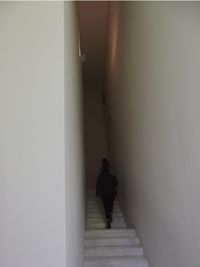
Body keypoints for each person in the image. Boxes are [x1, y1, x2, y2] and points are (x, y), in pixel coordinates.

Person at [96, 158, 118, 229]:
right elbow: (116, 183)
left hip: (104, 194)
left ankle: (108, 219)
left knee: (106, 207)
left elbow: (98, 185)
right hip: (111, 193)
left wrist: (97, 193)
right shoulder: (111, 176)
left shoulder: (100, 176)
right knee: (110, 205)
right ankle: (110, 214)